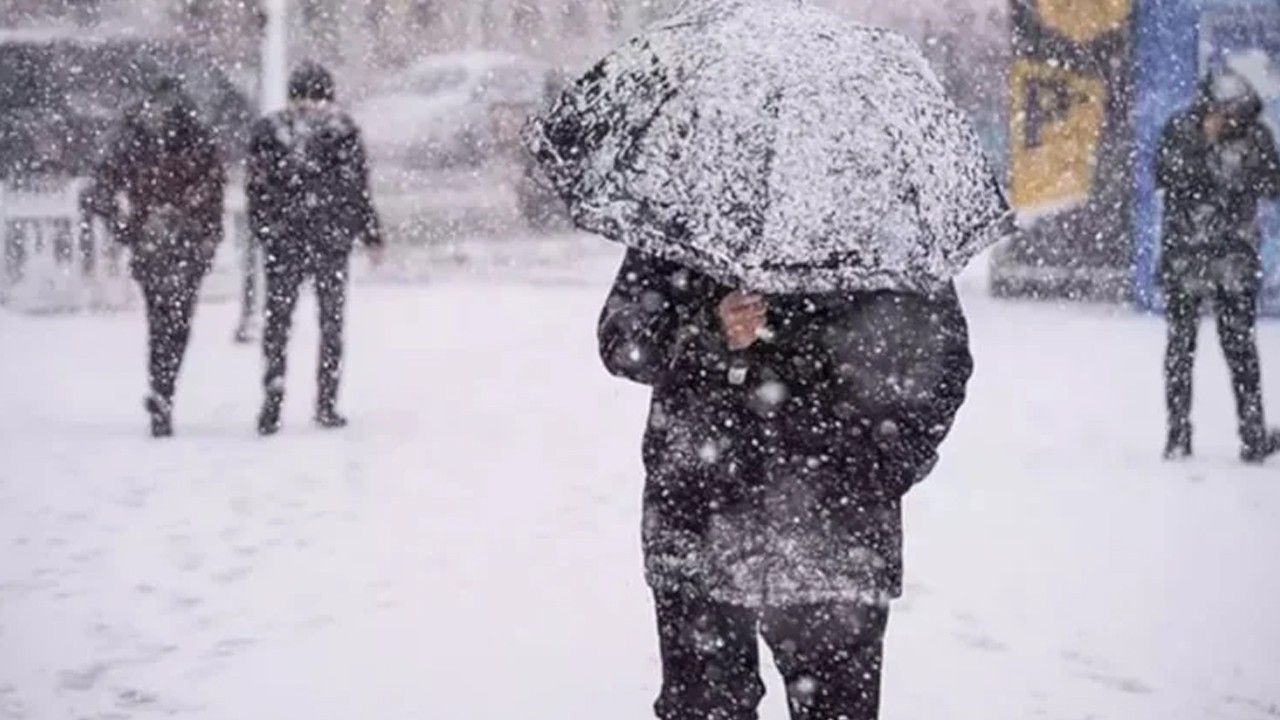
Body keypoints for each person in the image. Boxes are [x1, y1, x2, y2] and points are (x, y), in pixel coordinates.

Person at [597, 250, 973, 720]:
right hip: (700, 516)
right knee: (705, 709)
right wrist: (708, 330)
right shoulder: (691, 210)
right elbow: (621, 340)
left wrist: (880, 469)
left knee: (836, 710)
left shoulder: (883, 225)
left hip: (836, 532)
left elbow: (943, 363)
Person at [247, 61, 383, 436]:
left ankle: (274, 397)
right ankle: (325, 402)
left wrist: (267, 229)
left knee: (279, 322)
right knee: (330, 322)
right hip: (328, 240)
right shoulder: (341, 130)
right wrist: (369, 232)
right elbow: (356, 189)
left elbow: (257, 189)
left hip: (287, 240)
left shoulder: (270, 131)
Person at [88, 76, 226, 437]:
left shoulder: (136, 138)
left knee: (162, 320)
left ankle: (161, 388)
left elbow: (101, 188)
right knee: (176, 322)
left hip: (155, 240)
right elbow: (213, 191)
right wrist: (208, 234)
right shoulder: (192, 138)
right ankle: (164, 389)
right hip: (182, 241)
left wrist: (126, 226)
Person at [1156, 68, 1280, 463]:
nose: (1232, 119)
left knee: (1240, 348)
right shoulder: (1181, 130)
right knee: (1181, 348)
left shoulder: (1255, 136)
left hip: (1234, 260)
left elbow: (1273, 185)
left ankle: (1252, 435)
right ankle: (1178, 434)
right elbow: (1165, 176)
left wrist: (1247, 163)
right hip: (1186, 259)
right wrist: (1204, 147)